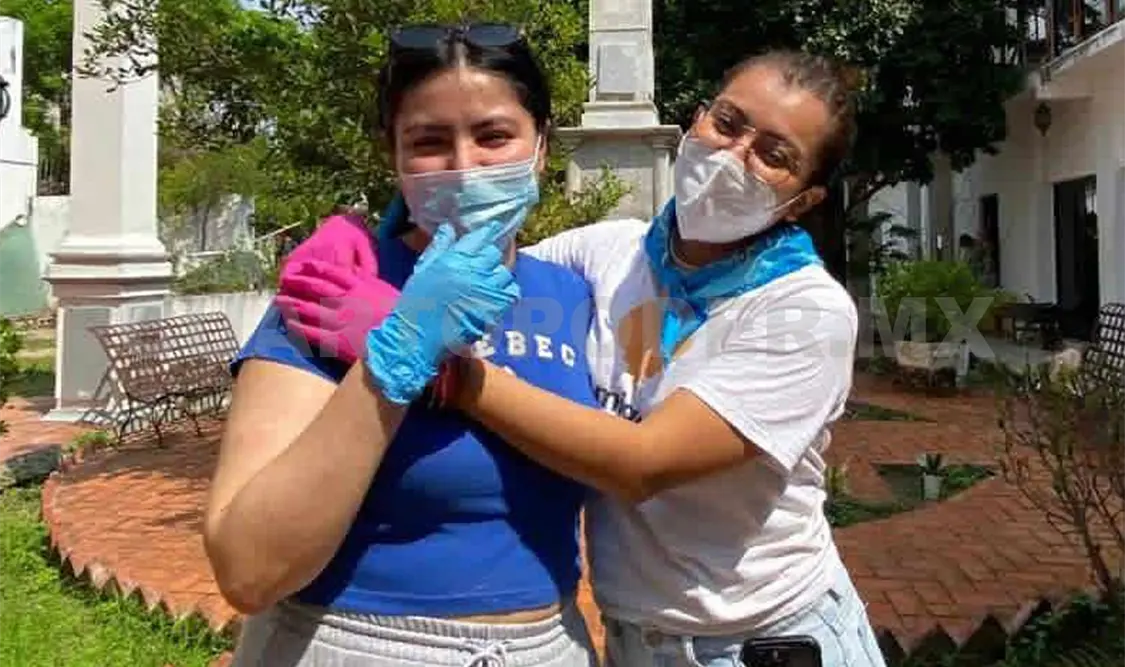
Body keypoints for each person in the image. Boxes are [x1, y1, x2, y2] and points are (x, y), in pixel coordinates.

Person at [282, 49, 887, 667]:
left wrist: (452, 375)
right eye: (728, 123)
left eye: (774, 155)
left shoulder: (804, 310)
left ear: (804, 201)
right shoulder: (607, 254)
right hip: (635, 639)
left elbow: (641, 464)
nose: (735, 156)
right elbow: (489, 262)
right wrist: (361, 242)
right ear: (696, 120)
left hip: (764, 641)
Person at [206, 23, 600, 667]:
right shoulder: (330, 293)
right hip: (357, 642)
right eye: (429, 141)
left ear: (542, 146)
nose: (466, 166)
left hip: (552, 643)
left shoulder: (571, 293)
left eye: (495, 135)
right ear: (392, 153)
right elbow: (247, 570)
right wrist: (400, 351)